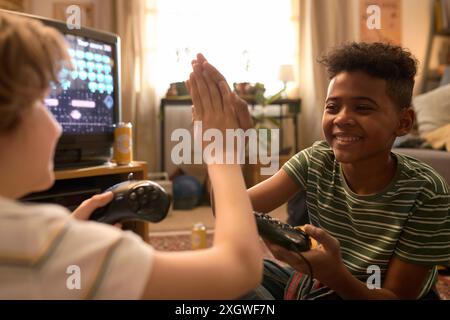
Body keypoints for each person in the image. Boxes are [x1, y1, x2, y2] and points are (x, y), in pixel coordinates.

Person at [0, 12, 262, 299]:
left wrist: (70, 233)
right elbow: (239, 269)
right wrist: (222, 153)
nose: (55, 125)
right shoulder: (40, 243)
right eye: (43, 103)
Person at [194, 42, 450, 299]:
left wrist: (333, 274)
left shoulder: (426, 191)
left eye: (363, 108)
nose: (342, 118)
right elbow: (229, 210)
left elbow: (395, 297)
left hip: (371, 294)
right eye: (333, 107)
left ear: (403, 122)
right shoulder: (315, 159)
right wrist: (227, 148)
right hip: (318, 280)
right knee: (220, 274)